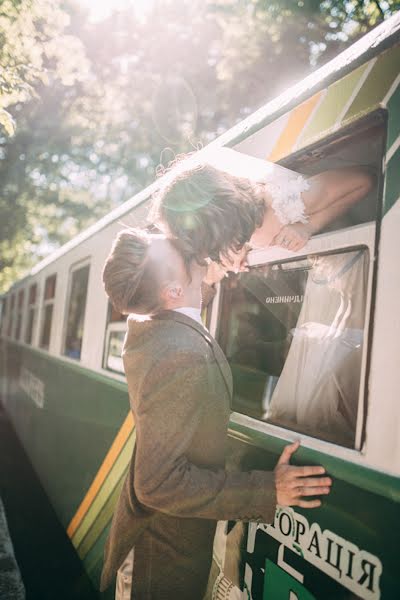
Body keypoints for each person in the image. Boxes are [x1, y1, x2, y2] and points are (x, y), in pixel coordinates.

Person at [100, 228, 332, 599]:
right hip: (161, 558)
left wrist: (208, 270)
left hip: (164, 543)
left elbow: (187, 302)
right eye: (176, 252)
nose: (186, 246)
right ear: (173, 292)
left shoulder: (156, 323)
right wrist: (267, 489)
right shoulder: (178, 352)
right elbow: (156, 484)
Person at [151, 148, 375, 270]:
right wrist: (246, 248)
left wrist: (307, 226)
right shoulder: (244, 229)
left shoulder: (281, 202)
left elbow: (362, 180)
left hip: (355, 268)